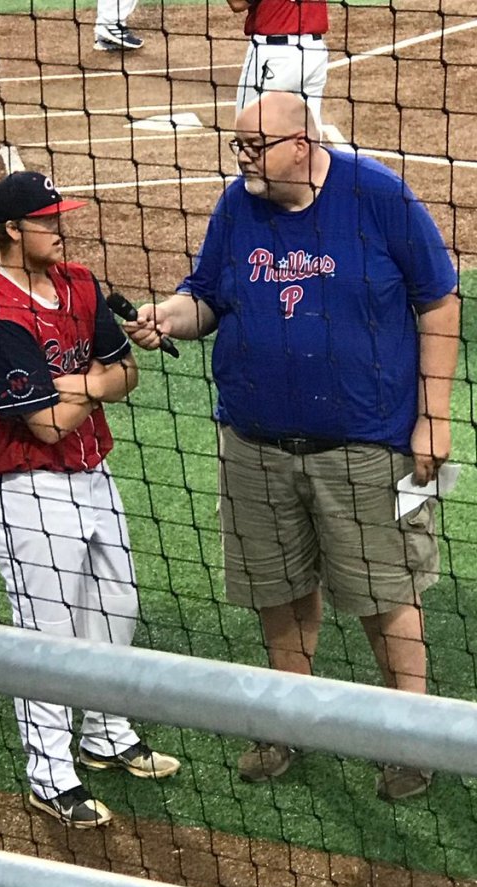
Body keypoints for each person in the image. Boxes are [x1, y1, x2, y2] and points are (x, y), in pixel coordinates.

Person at [121, 92, 459, 802]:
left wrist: (433, 416)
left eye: (255, 147)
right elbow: (206, 297)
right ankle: (288, 724)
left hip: (365, 445)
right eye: (239, 146)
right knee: (278, 593)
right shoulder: (237, 207)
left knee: (384, 595)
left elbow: (439, 301)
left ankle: (413, 737)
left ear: (301, 145)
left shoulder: (377, 196)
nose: (242, 159)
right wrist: (168, 316)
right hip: (255, 444)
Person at [0, 171, 180, 829]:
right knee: (48, 635)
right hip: (30, 489)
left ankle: (106, 734)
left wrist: (78, 383)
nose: (60, 229)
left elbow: (128, 373)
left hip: (95, 475)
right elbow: (48, 426)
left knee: (116, 607)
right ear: (10, 230)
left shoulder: (80, 283)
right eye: (47, 220)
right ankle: (50, 775)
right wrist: (96, 381)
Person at [227, 0, 328, 128]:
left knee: (250, 127)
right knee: (307, 130)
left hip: (275, 55)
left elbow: (238, 3)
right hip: (314, 52)